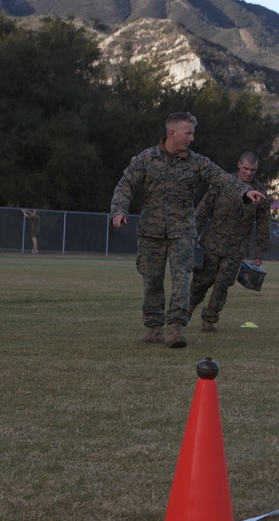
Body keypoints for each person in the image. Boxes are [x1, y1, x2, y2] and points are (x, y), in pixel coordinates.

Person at [110, 112, 266, 348]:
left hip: (182, 231)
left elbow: (222, 178)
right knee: (151, 280)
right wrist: (119, 210)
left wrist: (244, 191)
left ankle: (175, 328)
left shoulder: (197, 162)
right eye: (188, 133)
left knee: (181, 280)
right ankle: (154, 329)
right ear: (172, 133)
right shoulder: (145, 159)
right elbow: (125, 186)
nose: (192, 138)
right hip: (150, 232)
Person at [189, 151, 271, 332]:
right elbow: (203, 210)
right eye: (246, 168)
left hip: (237, 248)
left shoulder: (260, 195)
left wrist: (260, 252)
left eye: (253, 170)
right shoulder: (222, 184)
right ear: (239, 165)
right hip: (212, 243)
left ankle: (209, 321)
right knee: (201, 281)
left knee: (223, 284)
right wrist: (191, 235)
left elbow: (264, 225)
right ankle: (184, 313)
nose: (249, 173)